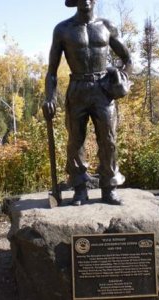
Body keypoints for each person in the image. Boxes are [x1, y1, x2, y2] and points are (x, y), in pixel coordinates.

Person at [42, 0, 132, 206]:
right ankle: (80, 189)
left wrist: (121, 80)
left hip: (103, 90)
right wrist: (50, 98)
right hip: (77, 90)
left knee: (109, 141)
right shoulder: (63, 29)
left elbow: (127, 59)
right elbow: (52, 72)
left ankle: (109, 188)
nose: (85, 1)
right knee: (75, 142)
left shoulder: (106, 26)